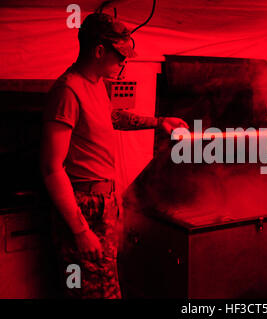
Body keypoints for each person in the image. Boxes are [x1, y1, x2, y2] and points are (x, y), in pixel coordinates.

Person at [40, 12, 188, 299]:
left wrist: (159, 122)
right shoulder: (67, 91)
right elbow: (51, 168)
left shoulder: (95, 84)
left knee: (107, 289)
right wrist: (80, 230)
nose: (123, 63)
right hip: (84, 207)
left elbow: (112, 118)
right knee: (87, 292)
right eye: (120, 57)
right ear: (98, 51)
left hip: (104, 204)